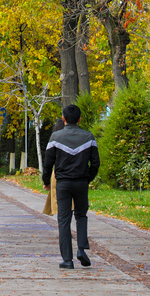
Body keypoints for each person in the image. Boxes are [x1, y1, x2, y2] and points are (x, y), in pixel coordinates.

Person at [42, 104, 100, 269]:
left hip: (63, 184)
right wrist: (88, 178)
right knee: (81, 216)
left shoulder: (55, 137)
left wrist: (46, 181)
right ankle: (81, 249)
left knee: (64, 220)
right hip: (81, 182)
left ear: (63, 118)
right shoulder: (89, 137)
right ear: (79, 119)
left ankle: (67, 260)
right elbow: (96, 163)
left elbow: (48, 163)